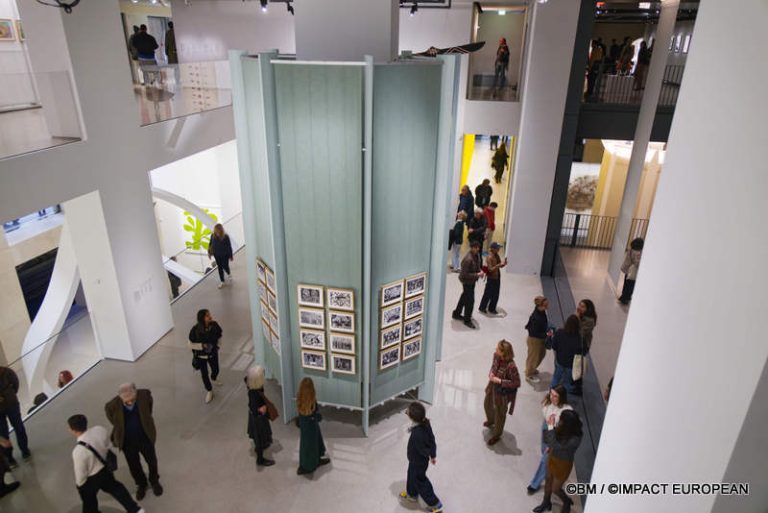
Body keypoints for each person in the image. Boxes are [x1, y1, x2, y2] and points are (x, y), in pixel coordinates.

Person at [68, 414, 144, 513]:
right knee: (117, 489)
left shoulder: (78, 451)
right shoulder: (99, 430)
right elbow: (108, 444)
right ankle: (135, 509)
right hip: (105, 469)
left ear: (73, 430)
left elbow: (80, 472)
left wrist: (80, 485)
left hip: (91, 478)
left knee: (89, 501)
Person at [104, 383, 162, 500]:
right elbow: (113, 420)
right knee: (134, 466)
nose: (130, 402)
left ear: (136, 393)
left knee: (152, 461)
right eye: (126, 401)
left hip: (145, 438)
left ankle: (154, 481)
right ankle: (141, 484)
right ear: (120, 397)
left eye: (132, 400)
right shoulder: (112, 406)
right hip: (127, 443)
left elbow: (149, 410)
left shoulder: (144, 395)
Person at [532, 410, 583, 513]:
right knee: (548, 481)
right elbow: (549, 440)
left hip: (563, 464)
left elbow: (555, 444)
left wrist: (550, 427)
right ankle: (546, 502)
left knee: (555, 488)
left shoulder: (575, 438)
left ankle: (566, 501)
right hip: (552, 457)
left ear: (568, 424)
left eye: (562, 420)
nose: (559, 422)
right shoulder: (562, 427)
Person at [527, 385, 572, 495]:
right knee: (544, 452)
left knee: (545, 460)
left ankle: (535, 483)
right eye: (551, 394)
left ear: (561, 397)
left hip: (555, 434)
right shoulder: (548, 401)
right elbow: (545, 411)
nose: (552, 397)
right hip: (546, 427)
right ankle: (550, 471)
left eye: (555, 396)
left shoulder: (566, 411)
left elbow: (563, 433)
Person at [399, 401, 443, 513]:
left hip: (418, 461)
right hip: (415, 460)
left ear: (413, 417)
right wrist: (433, 455)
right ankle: (412, 494)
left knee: (420, 480)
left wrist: (428, 454)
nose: (407, 412)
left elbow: (422, 449)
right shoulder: (425, 423)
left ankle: (434, 503)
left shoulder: (417, 434)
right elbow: (432, 440)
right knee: (411, 475)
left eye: (408, 412)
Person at [483, 340, 521, 446]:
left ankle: (497, 435)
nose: (495, 349)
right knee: (487, 404)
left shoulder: (511, 366)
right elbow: (493, 366)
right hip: (492, 387)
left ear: (504, 352)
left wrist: (500, 381)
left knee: (500, 414)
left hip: (502, 394)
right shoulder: (496, 356)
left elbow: (516, 382)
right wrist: (491, 373)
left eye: (498, 349)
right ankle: (491, 420)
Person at [188, 308, 223, 403]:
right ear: (202, 318)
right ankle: (209, 390)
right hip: (201, 357)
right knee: (204, 374)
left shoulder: (214, 325)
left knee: (216, 369)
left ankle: (214, 378)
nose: (210, 317)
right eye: (207, 316)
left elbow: (219, 336)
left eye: (209, 314)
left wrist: (218, 346)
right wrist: (202, 346)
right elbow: (190, 344)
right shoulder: (195, 330)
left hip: (213, 354)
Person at [296, 378, 330, 475]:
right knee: (313, 445)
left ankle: (305, 464)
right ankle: (310, 465)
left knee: (306, 446)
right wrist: (318, 417)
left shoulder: (299, 398)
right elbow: (317, 416)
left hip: (304, 426)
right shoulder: (312, 403)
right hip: (312, 427)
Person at [0, 366, 30, 466]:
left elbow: (15, 384)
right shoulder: (6, 371)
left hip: (11, 404)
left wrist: (10, 394)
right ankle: (9, 457)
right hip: (9, 403)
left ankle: (24, 450)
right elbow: (15, 384)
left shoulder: (6, 371)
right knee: (3, 434)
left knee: (18, 427)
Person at [546, 315, 583, 394]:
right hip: (570, 364)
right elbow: (580, 352)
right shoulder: (579, 338)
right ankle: (564, 394)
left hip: (560, 360)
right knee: (567, 381)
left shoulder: (559, 332)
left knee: (556, 378)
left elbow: (554, 346)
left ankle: (551, 392)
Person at [246, 365, 274, 467]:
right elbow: (254, 409)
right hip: (257, 419)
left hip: (257, 417)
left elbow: (246, 378)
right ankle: (260, 459)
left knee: (260, 436)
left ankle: (261, 446)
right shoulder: (254, 394)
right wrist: (262, 409)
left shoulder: (252, 386)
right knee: (259, 436)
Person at [452, 241, 484, 329]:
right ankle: (467, 320)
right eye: (476, 247)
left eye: (479, 247)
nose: (478, 249)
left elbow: (477, 266)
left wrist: (480, 271)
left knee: (464, 297)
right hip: (467, 282)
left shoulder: (476, 255)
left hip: (472, 281)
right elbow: (464, 275)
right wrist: (477, 275)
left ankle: (456, 314)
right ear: (472, 247)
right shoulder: (467, 259)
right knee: (470, 301)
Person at [572, 299, 597, 395]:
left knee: (577, 365)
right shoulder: (580, 315)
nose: (579, 307)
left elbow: (580, 333)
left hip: (582, 345)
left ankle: (578, 387)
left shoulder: (589, 320)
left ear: (588, 309)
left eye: (582, 306)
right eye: (579, 304)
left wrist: (576, 317)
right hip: (576, 343)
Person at [524, 296, 550, 384]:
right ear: (540, 306)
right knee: (533, 358)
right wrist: (546, 334)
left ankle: (531, 368)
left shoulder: (541, 312)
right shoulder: (536, 317)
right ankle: (528, 374)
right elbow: (533, 332)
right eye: (545, 305)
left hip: (540, 339)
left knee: (541, 354)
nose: (547, 306)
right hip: (535, 340)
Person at [479, 242, 507, 315]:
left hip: (497, 277)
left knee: (496, 294)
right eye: (497, 248)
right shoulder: (489, 257)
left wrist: (503, 264)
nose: (499, 249)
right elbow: (490, 269)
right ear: (493, 249)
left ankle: (492, 308)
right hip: (491, 278)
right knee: (487, 294)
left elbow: (500, 265)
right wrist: (498, 265)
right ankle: (482, 307)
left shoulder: (496, 255)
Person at [619, 237, 644, 304]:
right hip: (633, 271)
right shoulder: (638, 253)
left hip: (627, 269)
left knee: (626, 284)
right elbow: (636, 262)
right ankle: (626, 297)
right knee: (631, 285)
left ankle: (623, 296)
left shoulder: (630, 249)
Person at [208, 223, 234, 289]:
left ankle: (229, 273)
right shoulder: (212, 236)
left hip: (225, 255)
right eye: (215, 231)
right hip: (216, 255)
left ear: (221, 230)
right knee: (219, 267)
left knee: (225, 266)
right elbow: (210, 244)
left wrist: (231, 256)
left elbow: (229, 247)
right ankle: (222, 281)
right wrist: (209, 253)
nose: (217, 232)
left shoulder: (226, 237)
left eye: (218, 231)